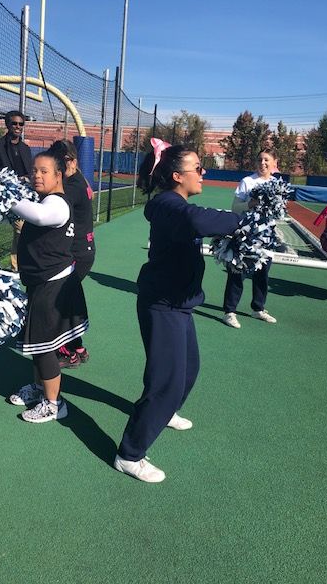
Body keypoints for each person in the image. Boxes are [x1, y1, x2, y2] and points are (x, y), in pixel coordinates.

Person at [114, 140, 241, 483]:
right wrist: (242, 221)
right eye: (198, 169)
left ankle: (164, 411)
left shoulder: (174, 202)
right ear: (176, 176)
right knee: (166, 382)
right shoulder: (170, 204)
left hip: (180, 303)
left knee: (188, 370)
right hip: (163, 303)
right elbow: (197, 220)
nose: (204, 173)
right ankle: (129, 454)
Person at [7, 149, 89, 423]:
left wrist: (4, 194)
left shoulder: (57, 203)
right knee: (37, 344)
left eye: (44, 171)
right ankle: (39, 387)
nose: (37, 176)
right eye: (35, 171)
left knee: (42, 345)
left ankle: (54, 404)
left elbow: (40, 217)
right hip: (41, 282)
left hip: (53, 285)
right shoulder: (44, 199)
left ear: (58, 174)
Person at [49, 140, 95, 368]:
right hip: (82, 250)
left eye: (63, 161)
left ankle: (66, 351)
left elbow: (52, 208)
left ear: (74, 161)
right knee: (68, 300)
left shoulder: (72, 187)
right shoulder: (78, 179)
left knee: (58, 302)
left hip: (76, 253)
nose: (59, 165)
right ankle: (77, 347)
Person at [222, 149, 278, 329]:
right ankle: (229, 312)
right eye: (260, 159)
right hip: (247, 235)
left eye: (266, 160)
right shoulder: (247, 182)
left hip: (267, 237)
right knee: (238, 272)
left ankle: (258, 308)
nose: (263, 163)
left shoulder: (277, 183)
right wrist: (250, 204)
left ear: (274, 162)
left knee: (263, 273)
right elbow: (234, 208)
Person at [0, 111, 33, 271]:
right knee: (21, 228)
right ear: (8, 125)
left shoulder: (25, 148)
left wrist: (27, 179)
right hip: (8, 197)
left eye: (21, 124)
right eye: (14, 123)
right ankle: (16, 266)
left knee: (23, 230)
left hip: (26, 195)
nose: (18, 127)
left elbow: (30, 170)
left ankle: (18, 264)